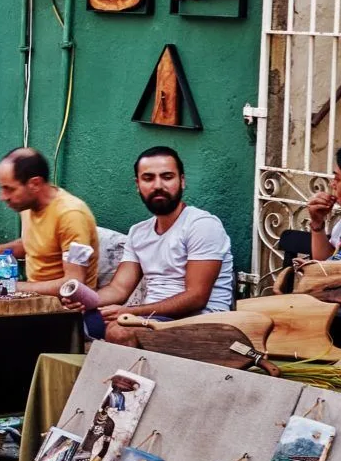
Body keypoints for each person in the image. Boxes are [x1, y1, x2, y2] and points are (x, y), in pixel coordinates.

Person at [81, 145, 236, 344]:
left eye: (167, 177)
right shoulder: (139, 232)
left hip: (201, 323)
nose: (158, 185)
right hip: (152, 319)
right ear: (138, 184)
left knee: (120, 331)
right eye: (148, 178)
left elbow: (196, 297)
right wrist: (83, 300)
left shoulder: (202, 225)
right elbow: (119, 289)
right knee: (68, 321)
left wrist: (131, 312)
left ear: (182, 181)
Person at [0, 147, 97, 297]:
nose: (2, 197)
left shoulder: (71, 215)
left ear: (35, 184)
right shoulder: (28, 205)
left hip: (62, 309)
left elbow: (74, 282)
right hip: (29, 296)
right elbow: (33, 244)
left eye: (9, 189)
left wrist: (6, 286)